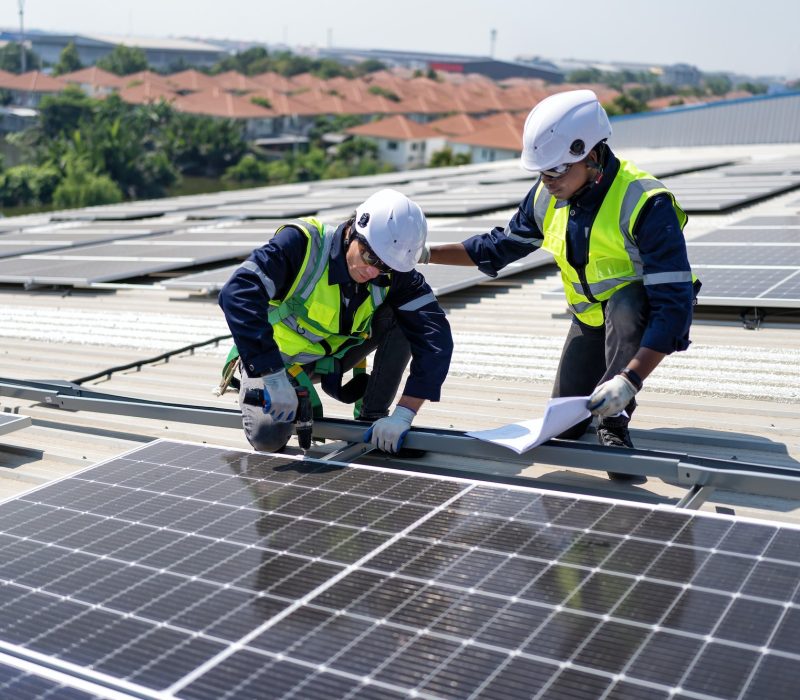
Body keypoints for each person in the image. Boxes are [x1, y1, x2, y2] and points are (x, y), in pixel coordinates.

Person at [421, 89, 697, 473]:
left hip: (635, 317)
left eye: (556, 170)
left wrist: (630, 380)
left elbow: (674, 305)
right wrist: (425, 253)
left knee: (628, 303)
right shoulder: (546, 195)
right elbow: (498, 247)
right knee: (565, 426)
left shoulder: (646, 202)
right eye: (541, 171)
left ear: (592, 157)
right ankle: (599, 406)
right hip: (588, 321)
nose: (547, 181)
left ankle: (615, 422)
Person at [218, 188, 453, 455]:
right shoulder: (302, 244)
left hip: (329, 359)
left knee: (406, 319)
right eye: (369, 257)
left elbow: (435, 336)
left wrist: (405, 413)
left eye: (385, 266)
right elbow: (237, 292)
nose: (373, 271)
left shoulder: (392, 269)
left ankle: (374, 417)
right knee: (268, 437)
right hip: (273, 359)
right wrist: (271, 375)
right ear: (353, 229)